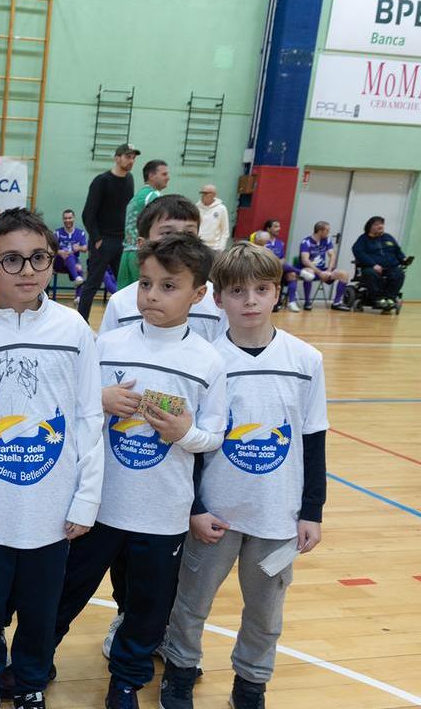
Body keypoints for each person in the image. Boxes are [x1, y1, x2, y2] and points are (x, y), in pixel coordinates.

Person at [54, 232, 227, 709]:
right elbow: (68, 411)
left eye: (169, 286)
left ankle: (126, 681)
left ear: (198, 294)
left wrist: (184, 434)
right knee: (66, 591)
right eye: (146, 284)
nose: (152, 295)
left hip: (163, 513)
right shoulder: (105, 344)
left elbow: (214, 435)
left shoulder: (208, 361)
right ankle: (34, 659)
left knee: (147, 609)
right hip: (99, 505)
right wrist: (98, 401)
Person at [158, 242, 327, 709]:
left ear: (277, 293)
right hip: (216, 513)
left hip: (278, 514)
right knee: (191, 604)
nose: (249, 300)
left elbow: (314, 441)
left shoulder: (306, 361)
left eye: (261, 289)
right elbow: (189, 445)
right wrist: (194, 508)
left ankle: (251, 682)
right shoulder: (206, 361)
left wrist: (311, 511)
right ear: (217, 299)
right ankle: (180, 670)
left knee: (266, 611)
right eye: (237, 291)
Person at [0, 209, 103, 709]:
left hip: (51, 505)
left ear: (52, 262)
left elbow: (89, 416)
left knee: (40, 612)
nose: (27, 270)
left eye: (38, 257)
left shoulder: (73, 328)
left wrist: (86, 499)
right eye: (12, 260)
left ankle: (29, 685)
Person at [99, 195, 227, 342]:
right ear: (142, 245)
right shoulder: (120, 303)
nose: (179, 241)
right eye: (167, 233)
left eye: (189, 234)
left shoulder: (218, 302)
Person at [76, 144, 138, 320]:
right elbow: (88, 214)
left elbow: (127, 212)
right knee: (92, 284)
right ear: (117, 158)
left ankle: (125, 320)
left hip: (123, 242)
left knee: (126, 285)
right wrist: (97, 239)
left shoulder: (130, 179)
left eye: (133, 157)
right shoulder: (101, 181)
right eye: (128, 157)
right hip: (103, 242)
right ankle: (81, 322)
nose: (131, 160)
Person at [118, 159, 169, 288]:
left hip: (127, 254)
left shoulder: (135, 198)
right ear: (151, 175)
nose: (168, 178)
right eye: (164, 174)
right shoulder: (154, 195)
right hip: (143, 254)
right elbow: (162, 226)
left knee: (125, 298)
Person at [53, 208, 116, 300]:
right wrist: (60, 252)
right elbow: (50, 248)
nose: (67, 220)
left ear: (73, 218)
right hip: (59, 262)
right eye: (65, 218)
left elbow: (85, 248)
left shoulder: (80, 233)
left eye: (70, 218)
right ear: (63, 219)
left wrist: (78, 248)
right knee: (70, 257)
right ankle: (77, 279)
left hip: (73, 263)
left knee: (79, 269)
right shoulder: (57, 232)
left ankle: (78, 297)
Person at [352, 215, 406, 312]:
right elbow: (358, 252)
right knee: (370, 273)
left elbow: (397, 251)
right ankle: (378, 299)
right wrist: (373, 264)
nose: (380, 226)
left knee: (399, 273)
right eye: (377, 224)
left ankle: (390, 299)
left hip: (391, 267)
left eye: (381, 224)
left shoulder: (388, 237)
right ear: (370, 227)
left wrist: (404, 259)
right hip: (372, 268)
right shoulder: (363, 239)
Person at [297, 221, 351, 311]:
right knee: (308, 272)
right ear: (320, 231)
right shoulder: (306, 242)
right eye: (327, 230)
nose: (329, 232)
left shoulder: (327, 240)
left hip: (323, 270)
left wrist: (328, 271)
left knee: (343, 274)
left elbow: (332, 255)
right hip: (310, 269)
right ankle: (307, 302)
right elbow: (305, 260)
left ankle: (336, 303)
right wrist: (320, 272)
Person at [196, 185, 229, 252]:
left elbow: (225, 231)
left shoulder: (221, 208)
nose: (203, 195)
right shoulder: (197, 207)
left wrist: (221, 248)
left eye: (206, 193)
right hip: (198, 246)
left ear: (214, 195)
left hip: (215, 247)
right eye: (202, 193)